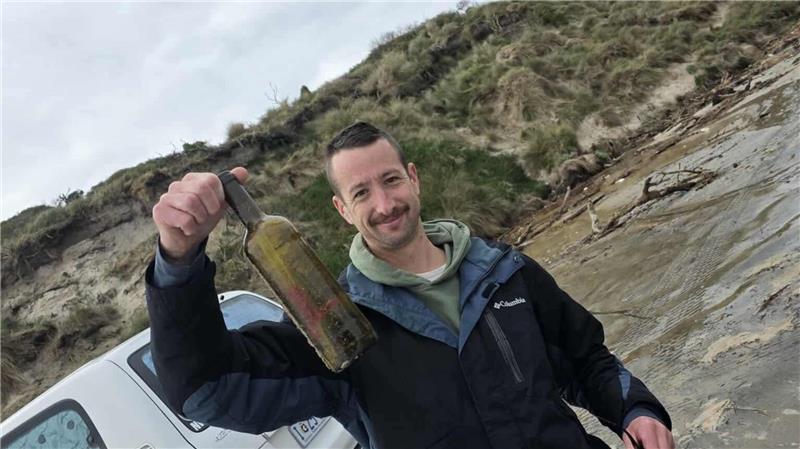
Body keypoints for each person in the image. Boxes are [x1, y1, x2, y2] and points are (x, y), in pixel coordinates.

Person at [146, 122, 674, 449]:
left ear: (414, 178)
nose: (384, 204)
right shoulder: (334, 325)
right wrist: (178, 260)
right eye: (361, 193)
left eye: (391, 180)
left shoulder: (505, 271)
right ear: (342, 209)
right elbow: (205, 393)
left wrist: (637, 411)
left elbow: (587, 360)